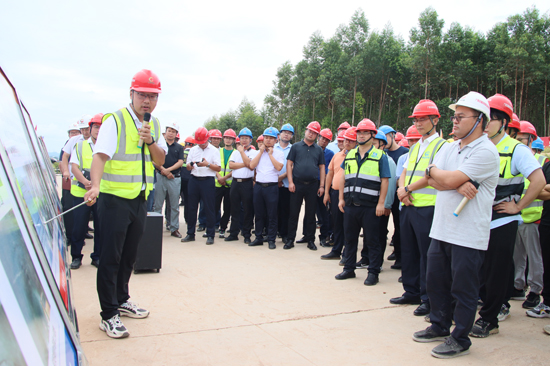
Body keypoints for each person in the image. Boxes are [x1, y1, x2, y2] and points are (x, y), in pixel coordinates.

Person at [412, 91, 499, 359]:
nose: (454, 121)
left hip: (468, 234)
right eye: (454, 115)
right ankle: (439, 325)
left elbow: (442, 180)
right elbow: (431, 176)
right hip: (442, 229)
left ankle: (460, 337)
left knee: (463, 288)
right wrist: (453, 180)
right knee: (436, 280)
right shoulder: (450, 146)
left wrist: (447, 179)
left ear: (480, 121)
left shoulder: (486, 151)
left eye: (461, 117)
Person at [84, 69, 168, 339]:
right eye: (142, 95)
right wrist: (95, 185)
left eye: (152, 96)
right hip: (113, 200)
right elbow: (100, 157)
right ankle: (108, 314)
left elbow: (160, 160)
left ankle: (121, 299)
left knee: (129, 256)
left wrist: (150, 140)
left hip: (139, 199)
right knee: (111, 257)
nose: (147, 101)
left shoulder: (153, 124)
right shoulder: (115, 120)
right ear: (131, 94)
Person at [470, 94, 545, 338]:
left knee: (496, 271)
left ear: (503, 122)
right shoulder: (478, 146)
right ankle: (486, 307)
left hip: (503, 219)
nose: (484, 124)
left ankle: (490, 319)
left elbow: (538, 181)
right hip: (479, 217)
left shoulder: (516, 149)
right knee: (479, 270)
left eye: (489, 119)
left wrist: (518, 206)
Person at [391, 100, 447, 317]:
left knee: (427, 255)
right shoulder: (415, 146)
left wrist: (406, 189)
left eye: (423, 118)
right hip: (408, 206)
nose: (418, 122)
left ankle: (427, 297)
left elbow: (431, 175)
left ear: (435, 120)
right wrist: (403, 191)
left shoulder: (442, 146)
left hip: (427, 208)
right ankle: (411, 291)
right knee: (409, 251)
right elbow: (404, 170)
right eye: (416, 119)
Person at [335, 119, 389, 285]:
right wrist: (341, 199)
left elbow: (385, 180)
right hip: (351, 205)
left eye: (365, 132)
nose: (361, 135)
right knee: (350, 239)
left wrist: (381, 203)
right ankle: (349, 269)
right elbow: (343, 177)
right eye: (359, 132)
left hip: (370, 206)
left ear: (373, 135)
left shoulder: (380, 156)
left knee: (372, 241)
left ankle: (373, 272)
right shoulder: (350, 154)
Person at [512, 121, 547, 309]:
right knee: (518, 257)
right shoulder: (514, 158)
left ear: (532, 140)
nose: (517, 142)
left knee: (534, 257)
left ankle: (535, 291)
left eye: (521, 139)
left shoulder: (541, 162)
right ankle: (518, 287)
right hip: (517, 216)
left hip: (534, 216)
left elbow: (541, 186)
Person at [284, 121, 326, 251]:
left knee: (310, 214)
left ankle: (310, 240)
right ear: (305, 131)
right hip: (297, 184)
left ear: (317, 135)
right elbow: (289, 164)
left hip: (313, 185)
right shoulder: (296, 147)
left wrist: (322, 186)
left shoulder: (318, 149)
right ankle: (290, 239)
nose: (311, 134)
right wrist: (290, 182)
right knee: (293, 213)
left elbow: (322, 168)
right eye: (310, 131)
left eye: (314, 133)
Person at [69, 113, 103, 269]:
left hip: (102, 193)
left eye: (102, 127)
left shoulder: (109, 147)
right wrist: (86, 182)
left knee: (101, 226)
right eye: (96, 127)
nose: (99, 130)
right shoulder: (80, 145)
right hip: (81, 193)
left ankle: (97, 256)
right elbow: (74, 166)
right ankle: (76, 256)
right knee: (79, 227)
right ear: (91, 128)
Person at [181, 127, 221, 244]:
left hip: (207, 181)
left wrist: (207, 164)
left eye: (203, 142)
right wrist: (191, 165)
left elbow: (218, 167)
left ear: (207, 139)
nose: (201, 145)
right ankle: (190, 234)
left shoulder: (214, 151)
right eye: (199, 143)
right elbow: (187, 166)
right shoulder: (193, 150)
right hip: (194, 180)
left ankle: (210, 234)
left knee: (209, 208)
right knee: (192, 207)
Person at [321, 127, 356, 260]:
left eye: (351, 140)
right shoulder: (337, 155)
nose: (347, 142)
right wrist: (326, 192)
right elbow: (330, 174)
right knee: (336, 223)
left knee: (349, 225)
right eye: (345, 140)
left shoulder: (357, 156)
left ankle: (347, 253)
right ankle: (336, 250)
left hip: (350, 195)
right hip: (335, 193)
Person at [296, 128, 334, 246]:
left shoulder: (330, 154)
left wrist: (323, 186)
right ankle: (306, 235)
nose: (324, 141)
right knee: (309, 211)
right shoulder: (310, 149)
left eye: (327, 140)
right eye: (322, 138)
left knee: (323, 212)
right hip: (310, 183)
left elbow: (327, 170)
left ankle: (323, 236)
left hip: (322, 184)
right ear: (318, 137)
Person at [249, 127, 285, 249]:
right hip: (259, 186)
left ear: (276, 140)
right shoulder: (257, 152)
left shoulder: (279, 153)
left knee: (272, 214)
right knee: (259, 214)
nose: (268, 140)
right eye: (266, 138)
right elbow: (251, 166)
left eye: (271, 138)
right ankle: (258, 237)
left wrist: (270, 154)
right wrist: (260, 152)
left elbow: (279, 167)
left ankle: (271, 239)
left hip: (272, 187)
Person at [379, 124, 409, 270]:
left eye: (385, 137)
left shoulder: (405, 153)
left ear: (392, 136)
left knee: (399, 227)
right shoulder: (381, 153)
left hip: (400, 196)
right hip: (384, 196)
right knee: (381, 227)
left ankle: (399, 256)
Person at [225, 128, 257, 244]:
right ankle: (233, 233)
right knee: (234, 209)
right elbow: (231, 165)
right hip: (235, 183)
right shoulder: (234, 152)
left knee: (248, 210)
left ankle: (247, 234)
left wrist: (242, 153)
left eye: (246, 138)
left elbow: (251, 166)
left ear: (250, 140)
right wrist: (245, 164)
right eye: (242, 138)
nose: (244, 140)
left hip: (247, 183)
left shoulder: (254, 152)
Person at [153, 122, 184, 238]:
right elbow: (153, 159)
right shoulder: (159, 145)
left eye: (173, 131)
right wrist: (163, 170)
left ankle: (174, 228)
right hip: (160, 177)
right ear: (165, 132)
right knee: (158, 204)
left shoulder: (179, 147)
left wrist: (168, 171)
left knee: (174, 205)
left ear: (176, 134)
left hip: (174, 178)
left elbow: (180, 162)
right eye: (169, 130)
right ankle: (155, 228)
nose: (171, 133)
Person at [276, 123, 294, 243]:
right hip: (273, 183)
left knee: (286, 210)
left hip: (287, 184)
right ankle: (273, 231)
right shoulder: (273, 147)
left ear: (292, 136)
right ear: (280, 134)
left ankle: (284, 234)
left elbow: (293, 165)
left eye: (289, 133)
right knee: (273, 210)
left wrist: (281, 178)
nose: (286, 135)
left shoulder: (294, 149)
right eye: (284, 132)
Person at [216, 129, 236, 239]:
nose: (228, 140)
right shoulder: (218, 151)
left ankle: (222, 228)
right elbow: (213, 165)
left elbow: (236, 168)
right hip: (218, 184)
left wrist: (224, 178)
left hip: (229, 184)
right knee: (214, 207)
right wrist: (219, 177)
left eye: (230, 138)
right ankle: (212, 226)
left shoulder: (236, 152)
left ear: (233, 140)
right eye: (226, 137)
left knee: (228, 208)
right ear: (223, 139)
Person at [180, 136, 195, 223]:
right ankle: (188, 219)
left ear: (186, 144)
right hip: (190, 178)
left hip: (180, 177)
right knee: (188, 200)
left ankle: (169, 220)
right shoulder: (194, 153)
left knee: (173, 201)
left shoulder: (181, 152)